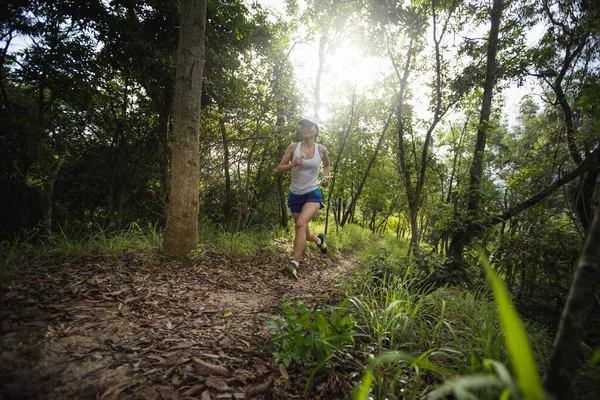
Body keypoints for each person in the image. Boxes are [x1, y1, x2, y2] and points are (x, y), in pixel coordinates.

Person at [277, 114, 330, 279]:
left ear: (316, 129)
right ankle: (320, 241)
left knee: (300, 224)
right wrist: (293, 163)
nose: (305, 128)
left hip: (312, 193)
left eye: (309, 125)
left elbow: (327, 165)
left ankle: (294, 264)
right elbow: (279, 169)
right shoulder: (293, 147)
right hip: (295, 195)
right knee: (305, 234)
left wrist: (326, 177)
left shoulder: (321, 150)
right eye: (303, 126)